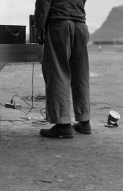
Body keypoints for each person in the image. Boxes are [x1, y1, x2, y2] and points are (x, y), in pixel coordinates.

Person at [34, 0, 91, 138]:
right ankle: (84, 121)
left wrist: (39, 27)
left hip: (59, 23)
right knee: (80, 74)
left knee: (57, 71)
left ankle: (63, 125)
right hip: (80, 24)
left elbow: (43, 1)